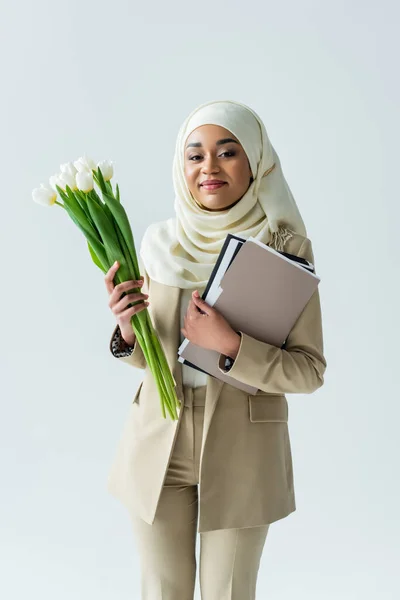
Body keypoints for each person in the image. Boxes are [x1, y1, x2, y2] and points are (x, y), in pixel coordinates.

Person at [104, 100, 327, 600]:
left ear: (256, 162)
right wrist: (127, 330)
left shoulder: (284, 249)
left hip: (243, 448)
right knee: (162, 592)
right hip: (158, 438)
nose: (209, 167)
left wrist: (231, 345)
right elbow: (151, 356)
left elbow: (309, 370)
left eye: (228, 152)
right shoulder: (159, 243)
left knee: (228, 593)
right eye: (195, 155)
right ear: (181, 167)